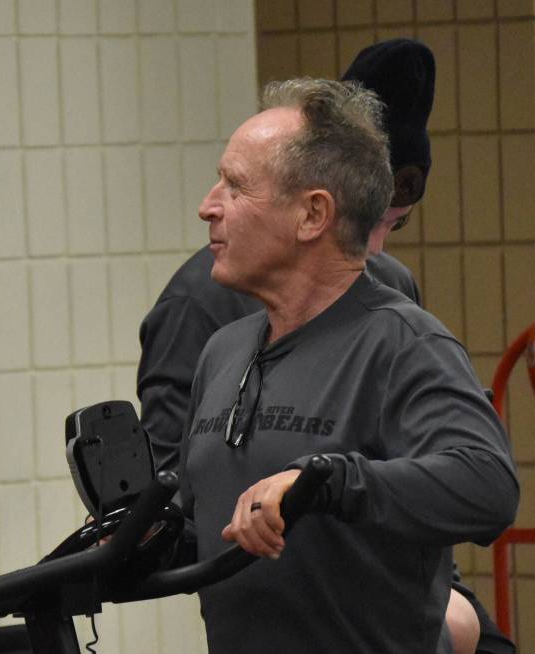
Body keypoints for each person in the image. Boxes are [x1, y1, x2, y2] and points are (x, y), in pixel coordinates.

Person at [139, 39, 514, 654]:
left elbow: (488, 485)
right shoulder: (222, 350)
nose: (208, 206)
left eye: (235, 186)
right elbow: (202, 532)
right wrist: (134, 539)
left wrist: (325, 481)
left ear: (313, 215)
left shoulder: (403, 341)